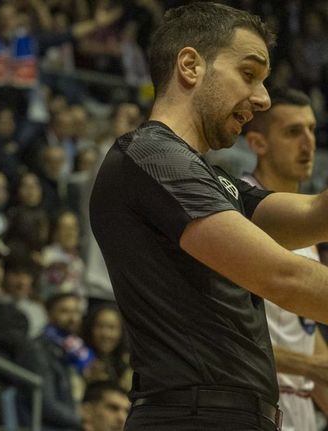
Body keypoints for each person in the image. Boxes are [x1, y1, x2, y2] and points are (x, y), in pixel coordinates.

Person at [89, 3, 328, 430]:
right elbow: (283, 278)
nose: (263, 98)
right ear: (190, 65)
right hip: (193, 416)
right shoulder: (153, 158)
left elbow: (314, 213)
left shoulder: (207, 177)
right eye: (249, 74)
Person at [242, 87, 328, 431]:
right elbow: (223, 335)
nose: (308, 144)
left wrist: (314, 366)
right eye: (293, 132)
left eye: (312, 130)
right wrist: (307, 366)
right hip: (255, 403)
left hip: (301, 408)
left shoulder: (304, 227)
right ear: (257, 143)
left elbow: (304, 332)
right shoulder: (238, 214)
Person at [16, 293, 92, 430]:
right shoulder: (38, 349)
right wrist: (83, 422)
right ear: (49, 314)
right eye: (64, 311)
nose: (72, 318)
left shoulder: (75, 351)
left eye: (76, 312)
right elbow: (46, 404)